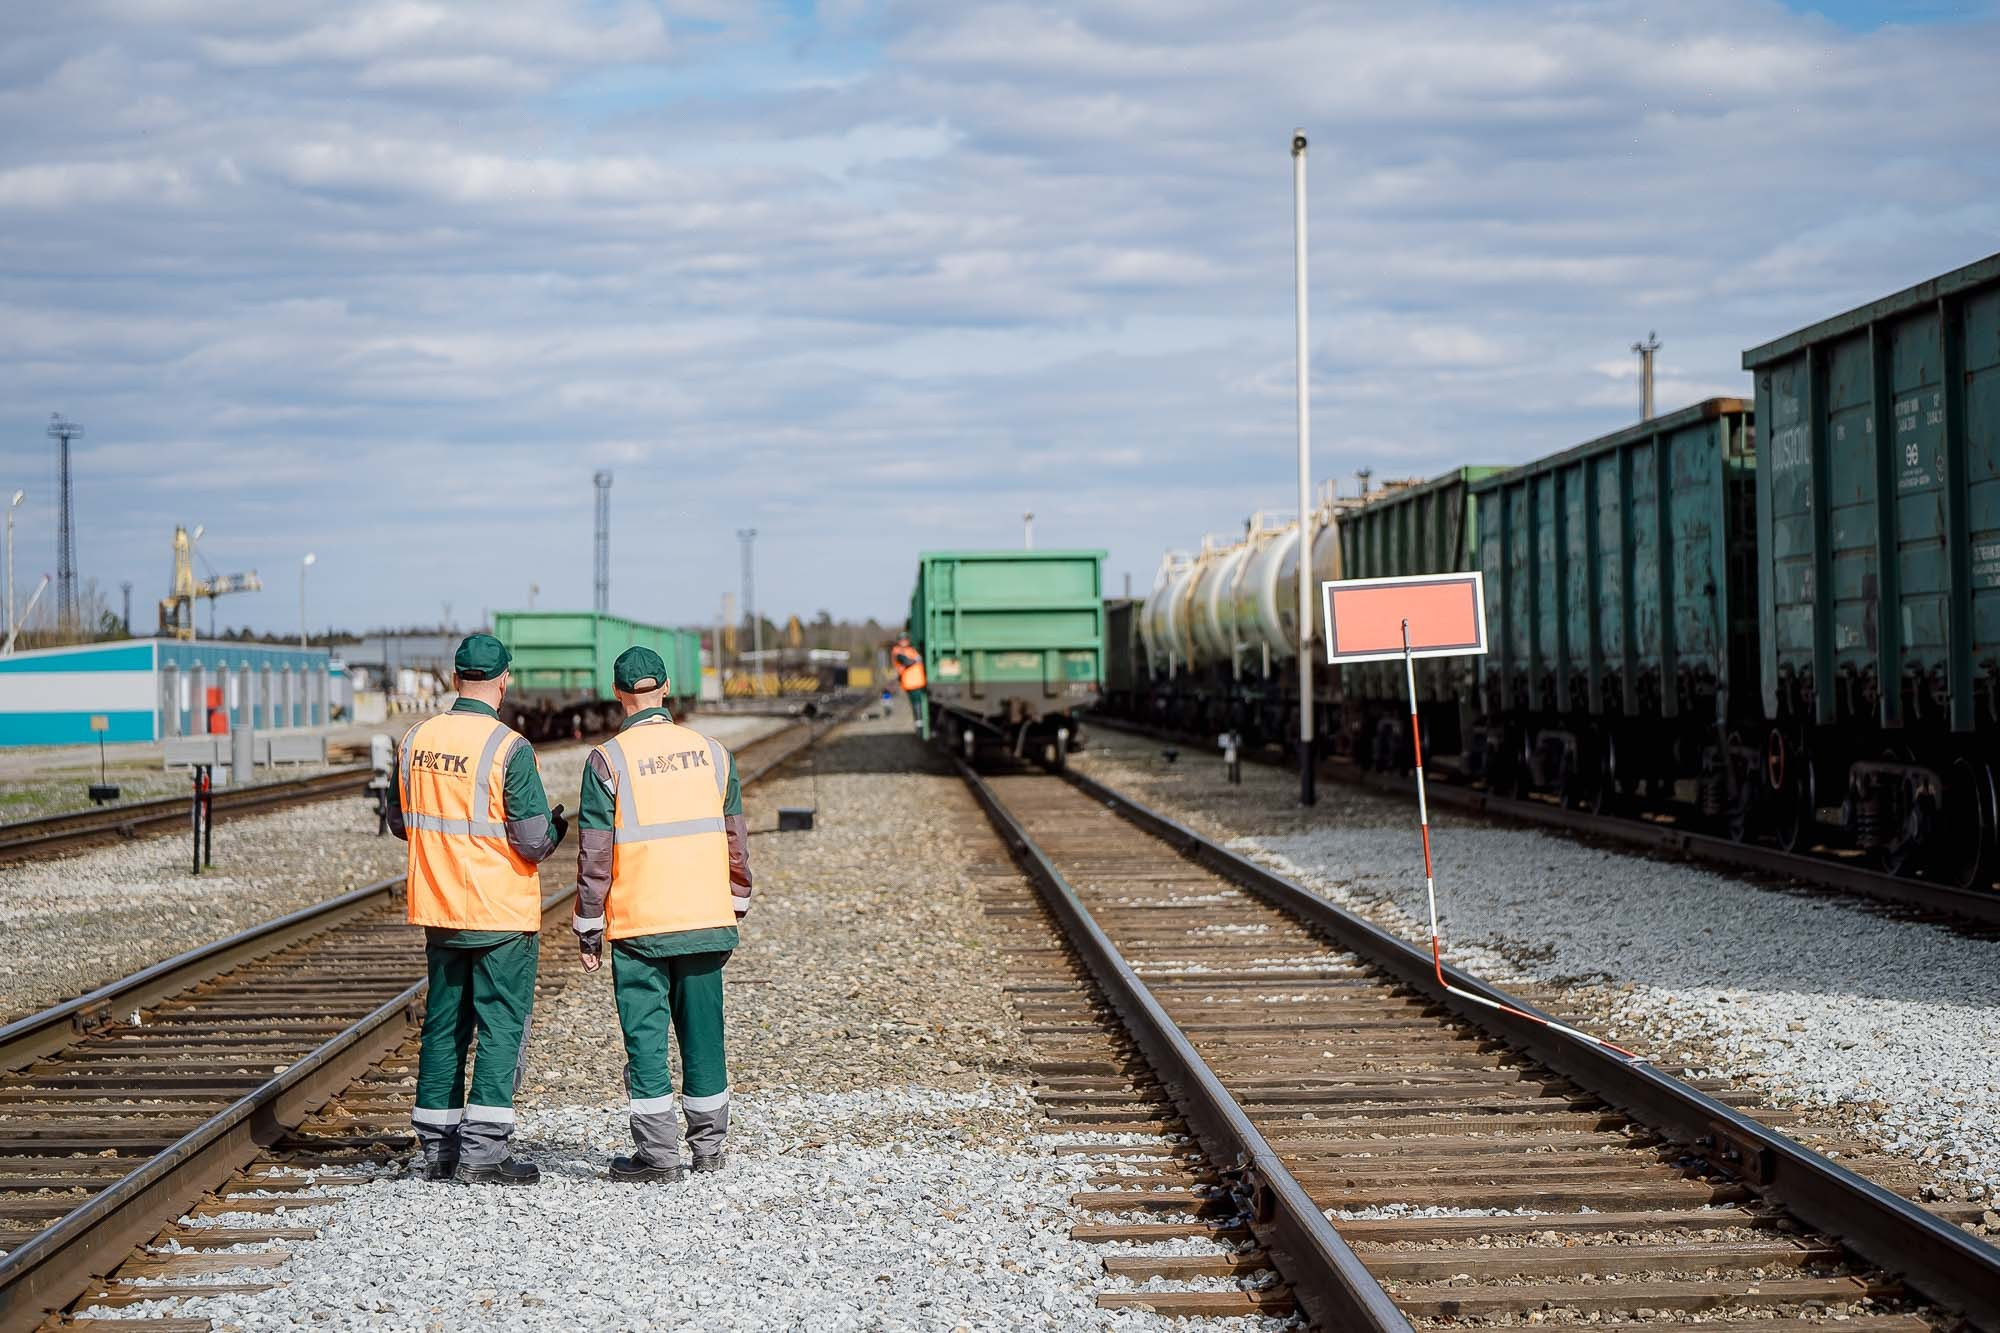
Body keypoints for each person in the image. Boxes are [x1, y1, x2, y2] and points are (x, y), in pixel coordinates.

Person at [387, 633, 569, 1185]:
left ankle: (438, 1150)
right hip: (499, 913)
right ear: (504, 680)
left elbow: (401, 823)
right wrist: (559, 827)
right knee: (500, 1027)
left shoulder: (415, 740)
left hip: (441, 910)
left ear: (453, 678)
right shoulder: (508, 749)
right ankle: (485, 1153)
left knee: (444, 1027)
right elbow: (533, 842)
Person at [572, 646, 753, 1182]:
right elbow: (735, 839)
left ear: (617, 693)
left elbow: (595, 853)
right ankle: (710, 1149)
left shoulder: (608, 760)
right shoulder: (714, 753)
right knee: (704, 1034)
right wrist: (736, 899)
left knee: (646, 1039)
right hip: (704, 917)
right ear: (667, 688)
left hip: (641, 924)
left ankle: (658, 1157)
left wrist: (588, 923)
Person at [891, 632, 927, 726]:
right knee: (916, 702)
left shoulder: (910, 649)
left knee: (920, 701)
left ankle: (921, 721)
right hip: (910, 683)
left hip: (919, 681)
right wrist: (916, 660)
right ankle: (919, 723)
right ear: (899, 641)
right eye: (902, 640)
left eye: (905, 639)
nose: (904, 641)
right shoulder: (898, 651)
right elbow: (906, 662)